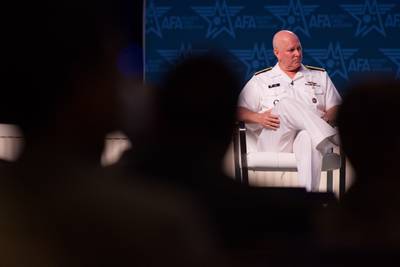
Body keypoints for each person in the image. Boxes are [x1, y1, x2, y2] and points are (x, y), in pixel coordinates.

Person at [237, 30, 342, 191]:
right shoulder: (261, 79)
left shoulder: (319, 76)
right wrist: (258, 117)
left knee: (308, 136)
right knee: (286, 104)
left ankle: (308, 201)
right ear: (277, 53)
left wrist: (328, 116)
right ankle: (331, 136)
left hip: (311, 141)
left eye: (299, 48)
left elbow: (336, 106)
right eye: (291, 50)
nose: (297, 54)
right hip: (274, 141)